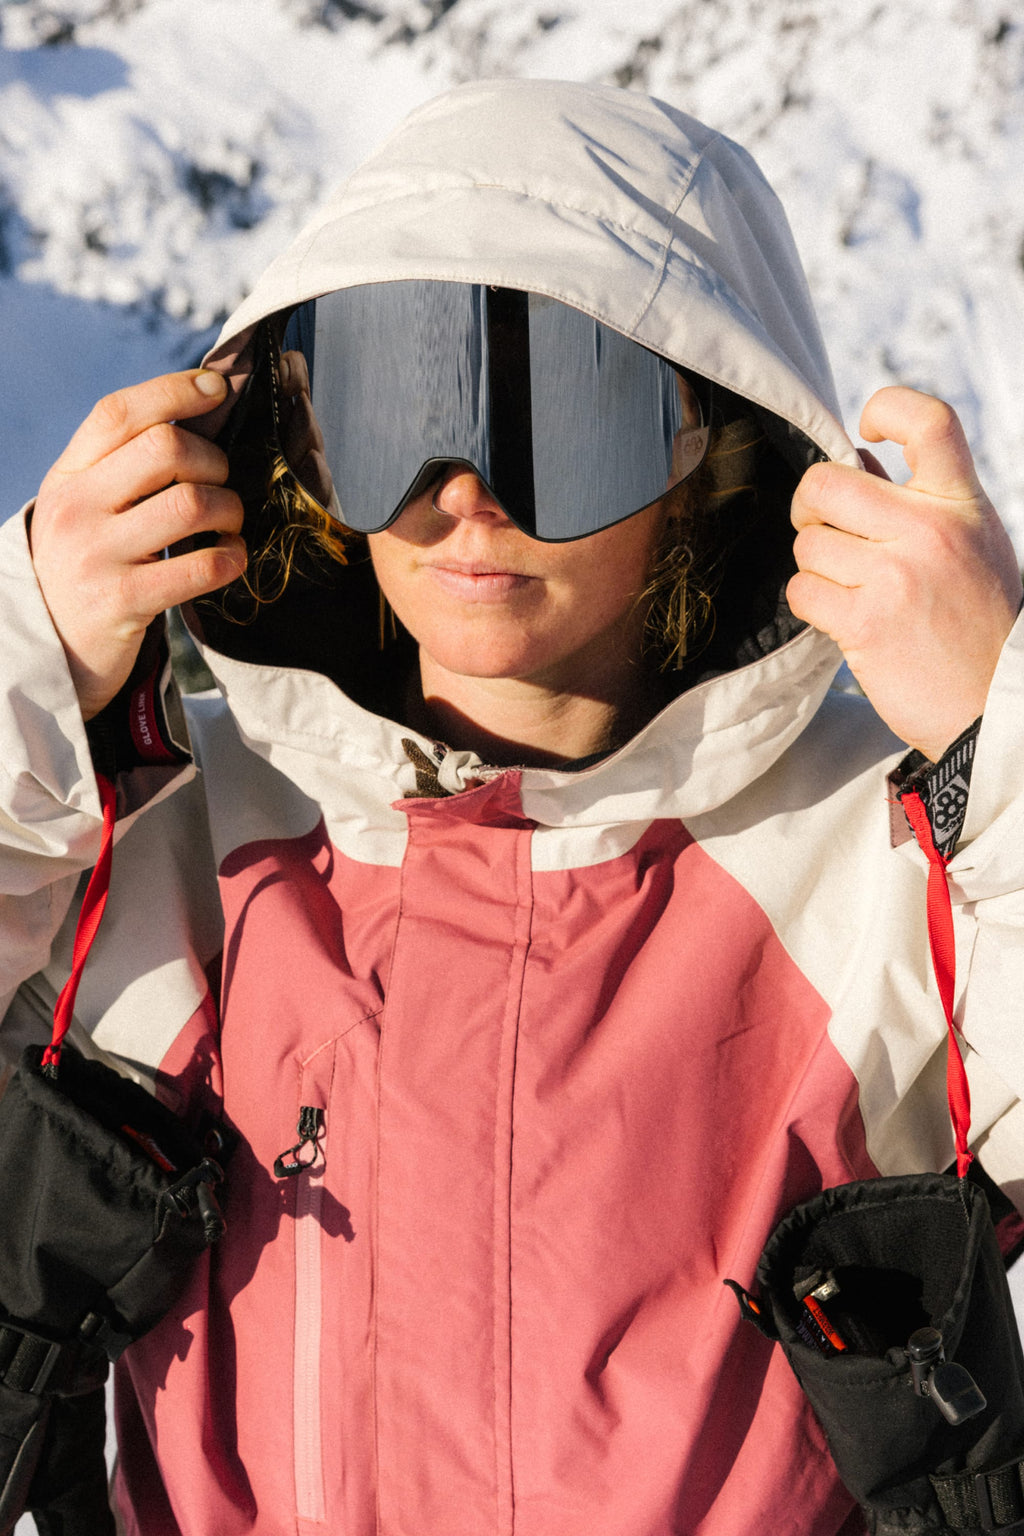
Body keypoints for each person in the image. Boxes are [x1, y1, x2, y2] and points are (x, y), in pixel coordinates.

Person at [1, 77, 1022, 1536]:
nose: (463, 492)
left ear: (709, 450)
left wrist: (1005, 724)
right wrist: (26, 666)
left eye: (572, 410)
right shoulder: (178, 835)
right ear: (301, 434)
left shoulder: (877, 855)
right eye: (393, 397)